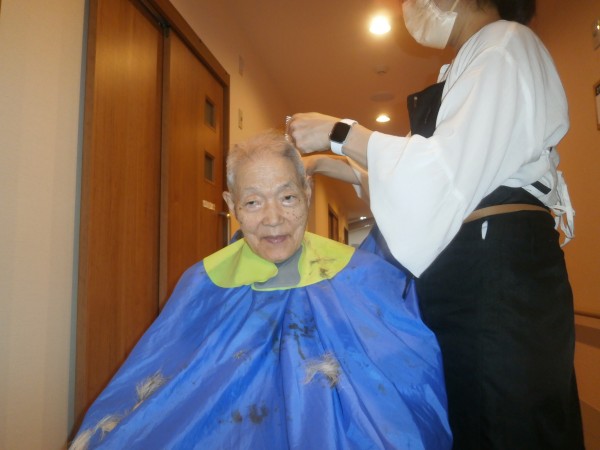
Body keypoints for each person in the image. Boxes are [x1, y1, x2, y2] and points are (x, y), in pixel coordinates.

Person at [288, 1, 584, 449]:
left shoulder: (504, 43)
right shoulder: (477, 56)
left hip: (496, 275)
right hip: (479, 266)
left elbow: (439, 173)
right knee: (474, 416)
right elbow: (432, 178)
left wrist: (339, 133)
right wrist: (336, 166)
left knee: (503, 421)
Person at [70, 131, 452, 450]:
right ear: (232, 205)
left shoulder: (361, 275)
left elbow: (410, 386)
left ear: (307, 192)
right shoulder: (202, 284)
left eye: (287, 198)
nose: (273, 219)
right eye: (253, 202)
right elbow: (163, 389)